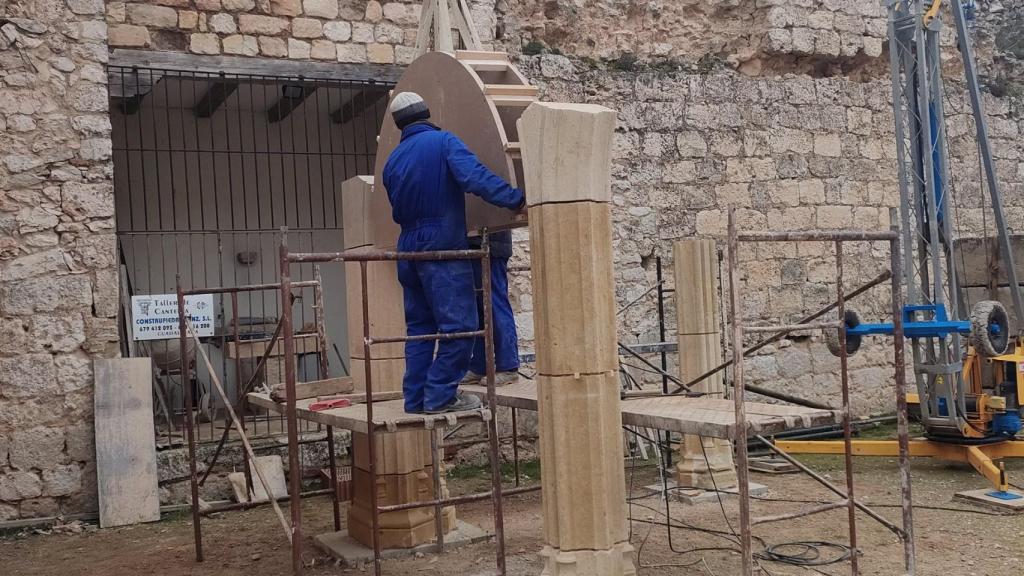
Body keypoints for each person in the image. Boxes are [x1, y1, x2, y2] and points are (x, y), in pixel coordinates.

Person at [382, 92, 525, 414]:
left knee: (420, 329)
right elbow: (476, 178)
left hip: (408, 247)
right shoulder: (443, 142)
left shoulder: (392, 160)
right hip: (442, 245)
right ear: (428, 113)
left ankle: (415, 399)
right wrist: (515, 199)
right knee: (459, 327)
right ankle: (440, 396)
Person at [462, 230, 520, 385]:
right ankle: (479, 365)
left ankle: (509, 366)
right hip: (473, 241)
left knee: (495, 304)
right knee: (476, 306)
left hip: (491, 243)